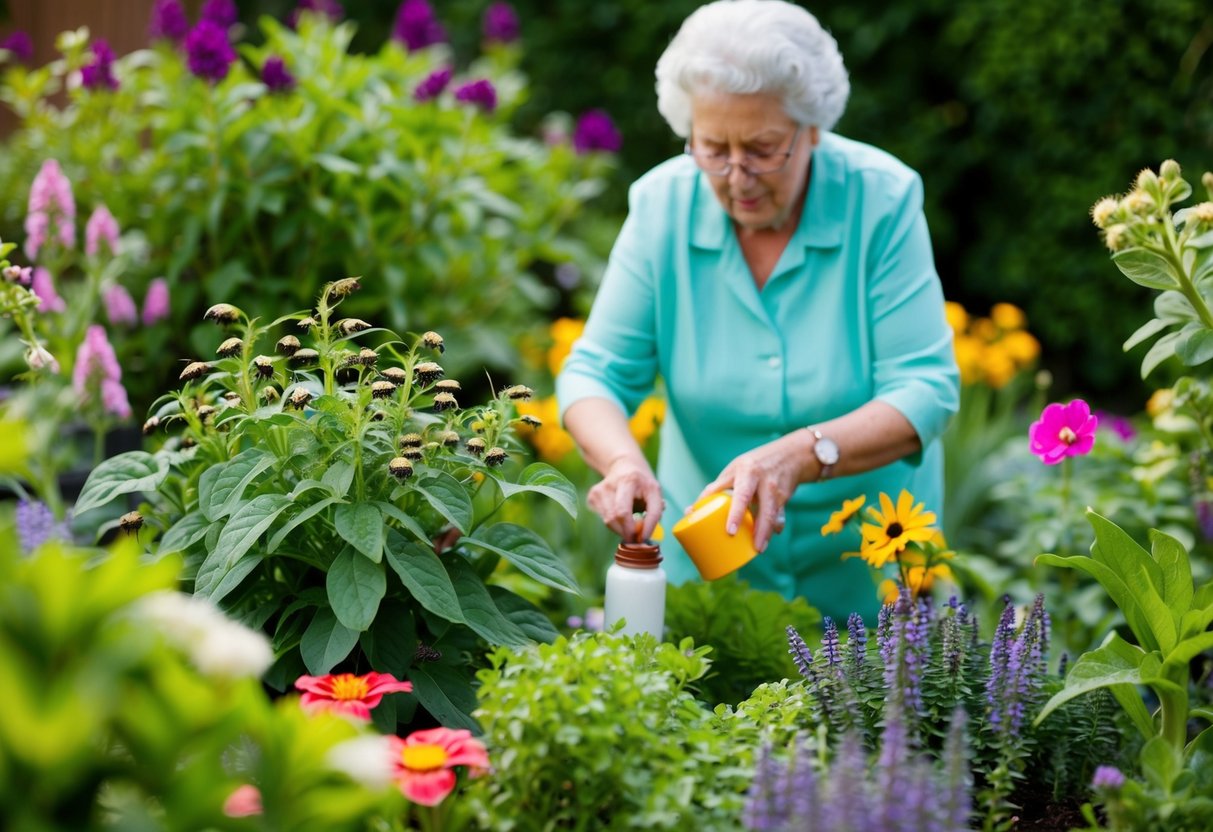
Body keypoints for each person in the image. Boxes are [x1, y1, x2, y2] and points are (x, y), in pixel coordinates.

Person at [555, 0, 959, 621]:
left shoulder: (881, 201)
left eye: (763, 148)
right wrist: (621, 461)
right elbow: (595, 374)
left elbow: (926, 389)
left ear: (814, 129)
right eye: (712, 147)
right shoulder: (662, 207)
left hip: (874, 581)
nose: (736, 175)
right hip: (712, 583)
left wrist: (800, 455)